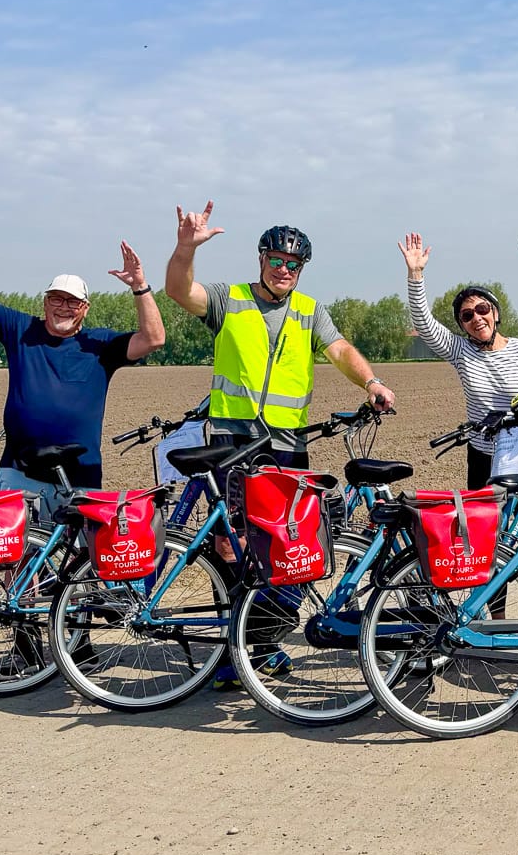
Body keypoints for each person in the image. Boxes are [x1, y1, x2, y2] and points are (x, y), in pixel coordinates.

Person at [164, 202, 398, 690]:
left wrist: (371, 382)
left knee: (284, 543)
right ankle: (232, 647)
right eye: (277, 260)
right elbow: (179, 291)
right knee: (231, 544)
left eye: (293, 264)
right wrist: (186, 249)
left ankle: (262, 642)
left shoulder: (310, 311)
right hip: (232, 442)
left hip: (287, 445)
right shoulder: (231, 299)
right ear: (262, 260)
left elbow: (340, 350)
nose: (284, 269)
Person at [0, 195, 164, 516]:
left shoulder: (100, 344)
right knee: (13, 548)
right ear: (45, 302)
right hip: (19, 475)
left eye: (73, 302)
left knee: (79, 550)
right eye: (56, 299)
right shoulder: (20, 330)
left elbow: (154, 338)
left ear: (85, 308)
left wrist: (140, 286)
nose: (64, 307)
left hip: (81, 479)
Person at [398, 232, 518, 490]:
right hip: (484, 454)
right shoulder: (461, 351)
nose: (476, 318)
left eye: (482, 309)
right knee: (483, 516)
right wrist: (416, 274)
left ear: (495, 314)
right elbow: (423, 322)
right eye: (467, 316)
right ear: (463, 325)